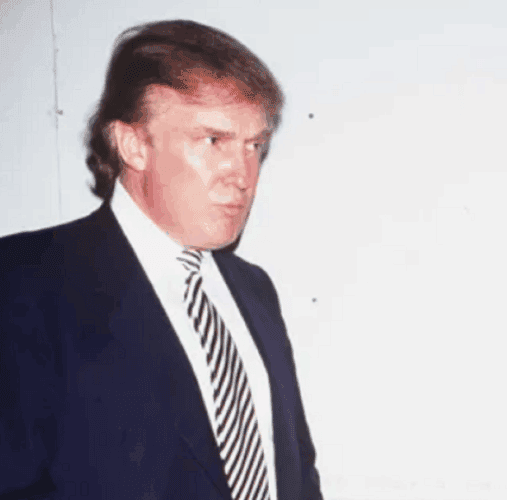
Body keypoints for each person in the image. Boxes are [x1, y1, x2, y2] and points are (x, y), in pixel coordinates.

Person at [0, 20, 322, 499]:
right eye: (213, 141)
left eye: (255, 145)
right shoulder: (23, 283)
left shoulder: (254, 290)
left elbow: (296, 473)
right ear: (133, 145)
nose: (242, 175)